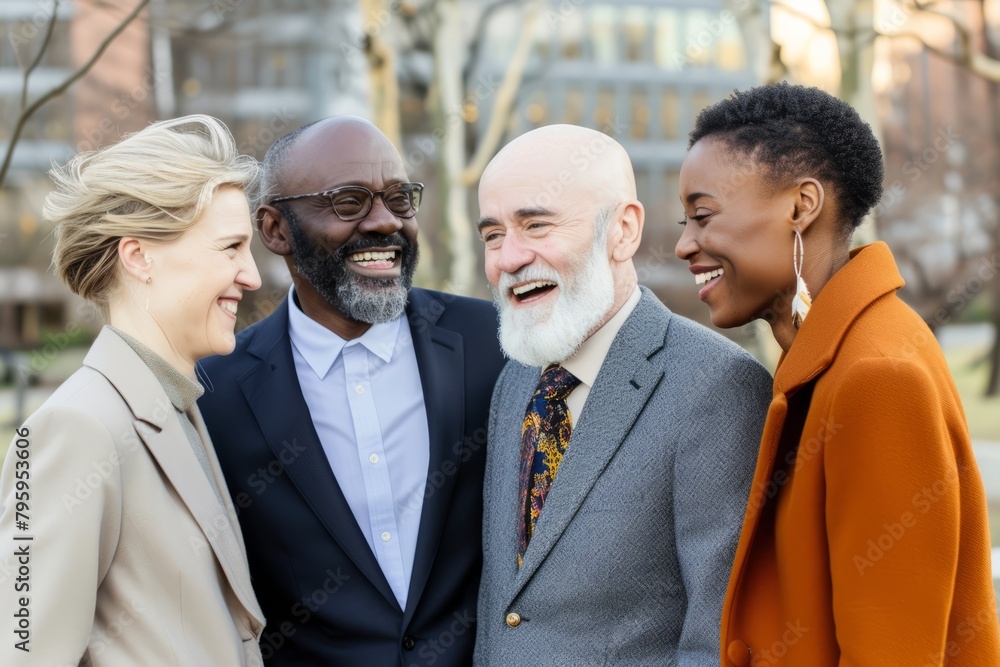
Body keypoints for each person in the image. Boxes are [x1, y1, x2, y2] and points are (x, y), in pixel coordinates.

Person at [675, 82, 1000, 665]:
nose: (683, 244)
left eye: (703, 215)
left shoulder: (876, 376)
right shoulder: (832, 354)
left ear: (801, 206)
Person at [197, 116, 506, 666]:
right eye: (349, 202)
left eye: (398, 199)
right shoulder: (214, 392)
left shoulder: (495, 343)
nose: (385, 222)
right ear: (274, 229)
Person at [473, 123, 772, 665]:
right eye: (493, 236)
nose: (508, 259)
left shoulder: (717, 387)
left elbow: (720, 638)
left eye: (536, 225)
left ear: (624, 231)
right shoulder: (515, 379)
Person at [0, 115, 266, 665]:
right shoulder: (74, 428)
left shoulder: (178, 404)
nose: (252, 275)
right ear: (139, 257)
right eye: (231, 248)